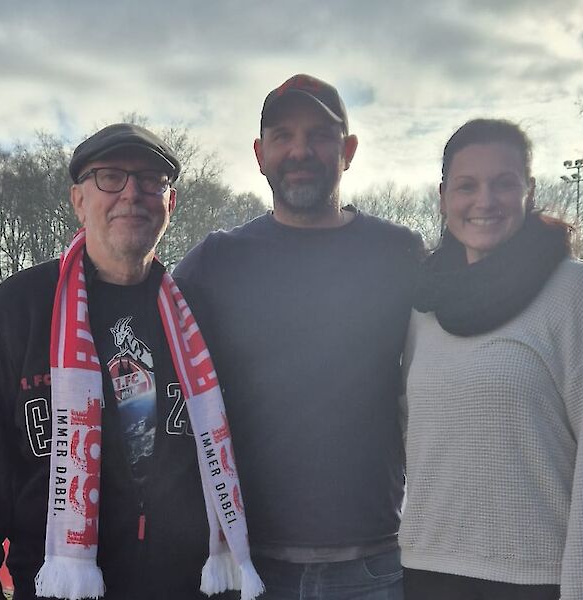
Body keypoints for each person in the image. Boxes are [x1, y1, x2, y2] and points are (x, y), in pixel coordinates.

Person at [0, 123, 262, 600]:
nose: (132, 193)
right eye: (110, 176)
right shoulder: (22, 306)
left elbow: (239, 452)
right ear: (78, 199)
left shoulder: (199, 315)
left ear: (170, 203)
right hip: (58, 588)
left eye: (151, 180)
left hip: (187, 587)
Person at [174, 74, 424, 600]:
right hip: (251, 568)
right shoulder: (216, 261)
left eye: (319, 135)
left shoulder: (399, 253)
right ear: (260, 153)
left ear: (348, 151)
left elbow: (469, 331)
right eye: (283, 136)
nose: (300, 150)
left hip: (376, 565)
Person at [400, 119, 583, 599]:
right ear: (443, 198)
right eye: (467, 186)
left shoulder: (575, 291)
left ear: (529, 191)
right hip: (424, 572)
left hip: (533, 580)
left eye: (503, 183)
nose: (485, 201)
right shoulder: (422, 305)